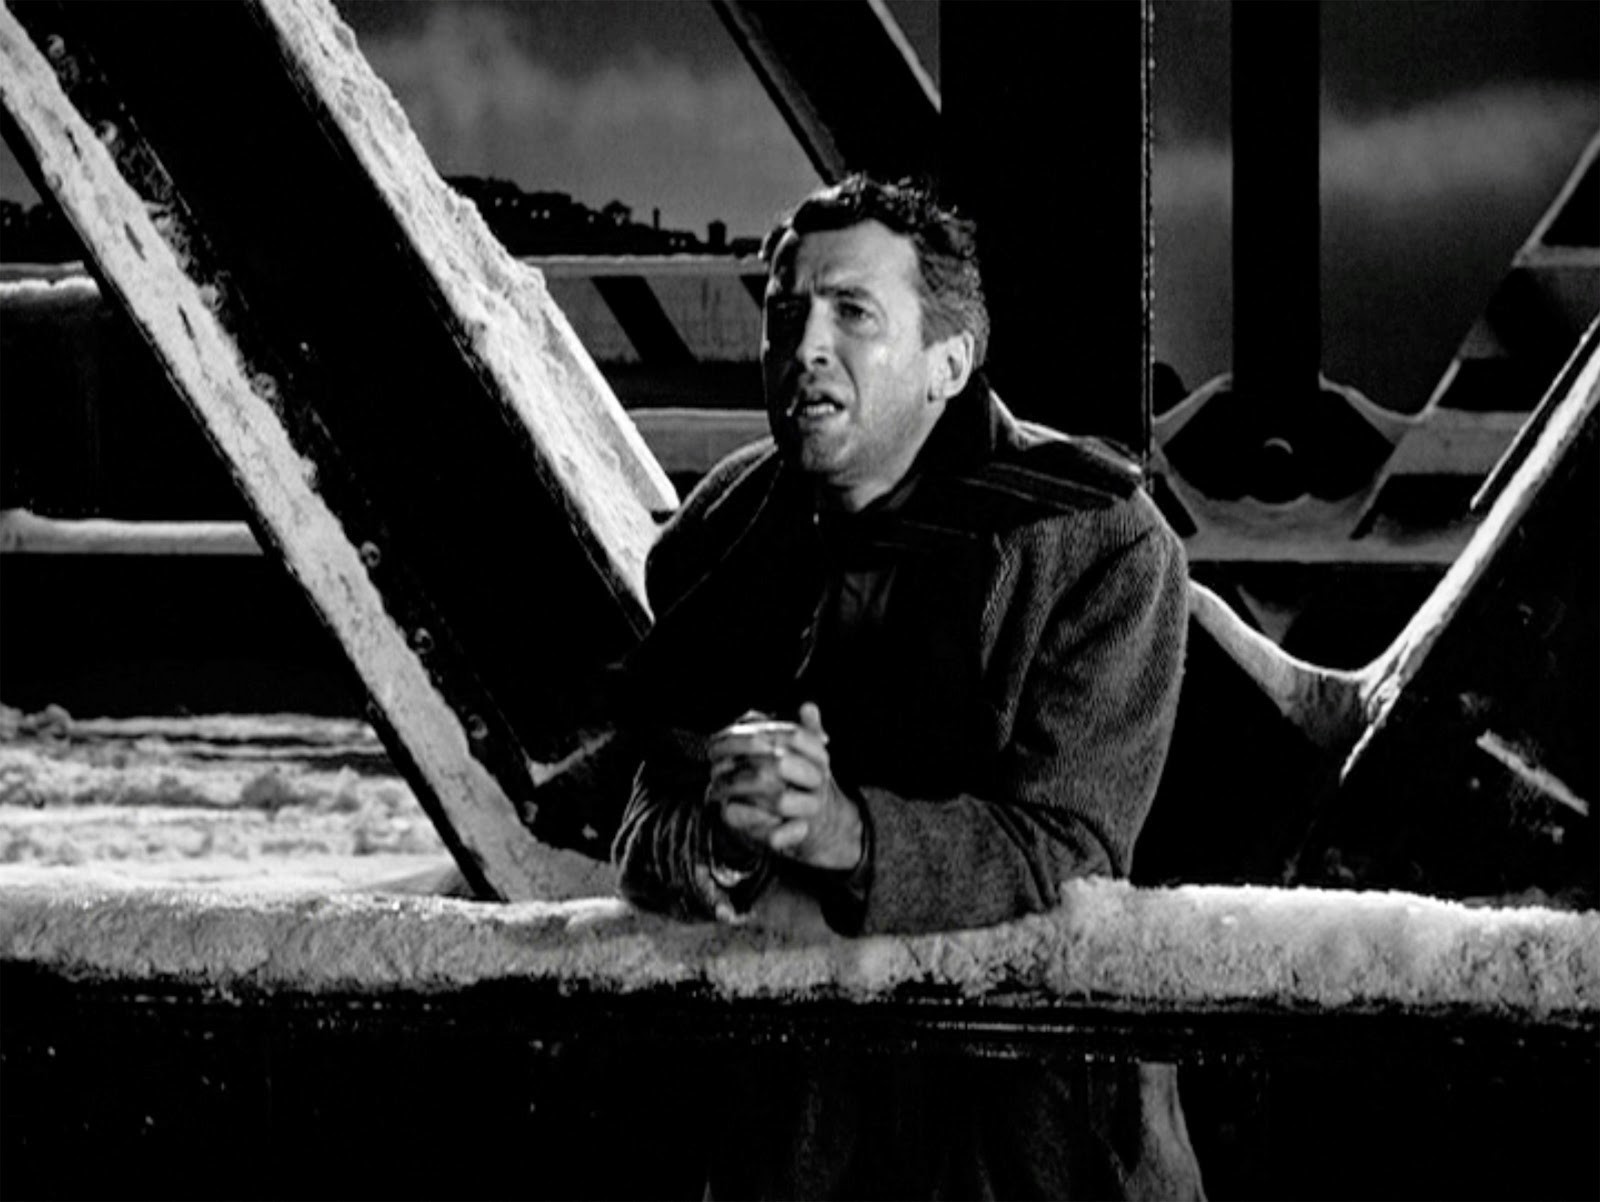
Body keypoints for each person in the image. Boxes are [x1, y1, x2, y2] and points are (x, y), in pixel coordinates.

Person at [608, 175, 1203, 1199]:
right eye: (785, 313)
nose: (804, 347)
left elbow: (1066, 851)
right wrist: (726, 837)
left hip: (1024, 1134)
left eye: (853, 312)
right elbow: (642, 828)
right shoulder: (723, 535)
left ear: (948, 363)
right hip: (790, 1137)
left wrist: (845, 835)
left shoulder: (1098, 540)